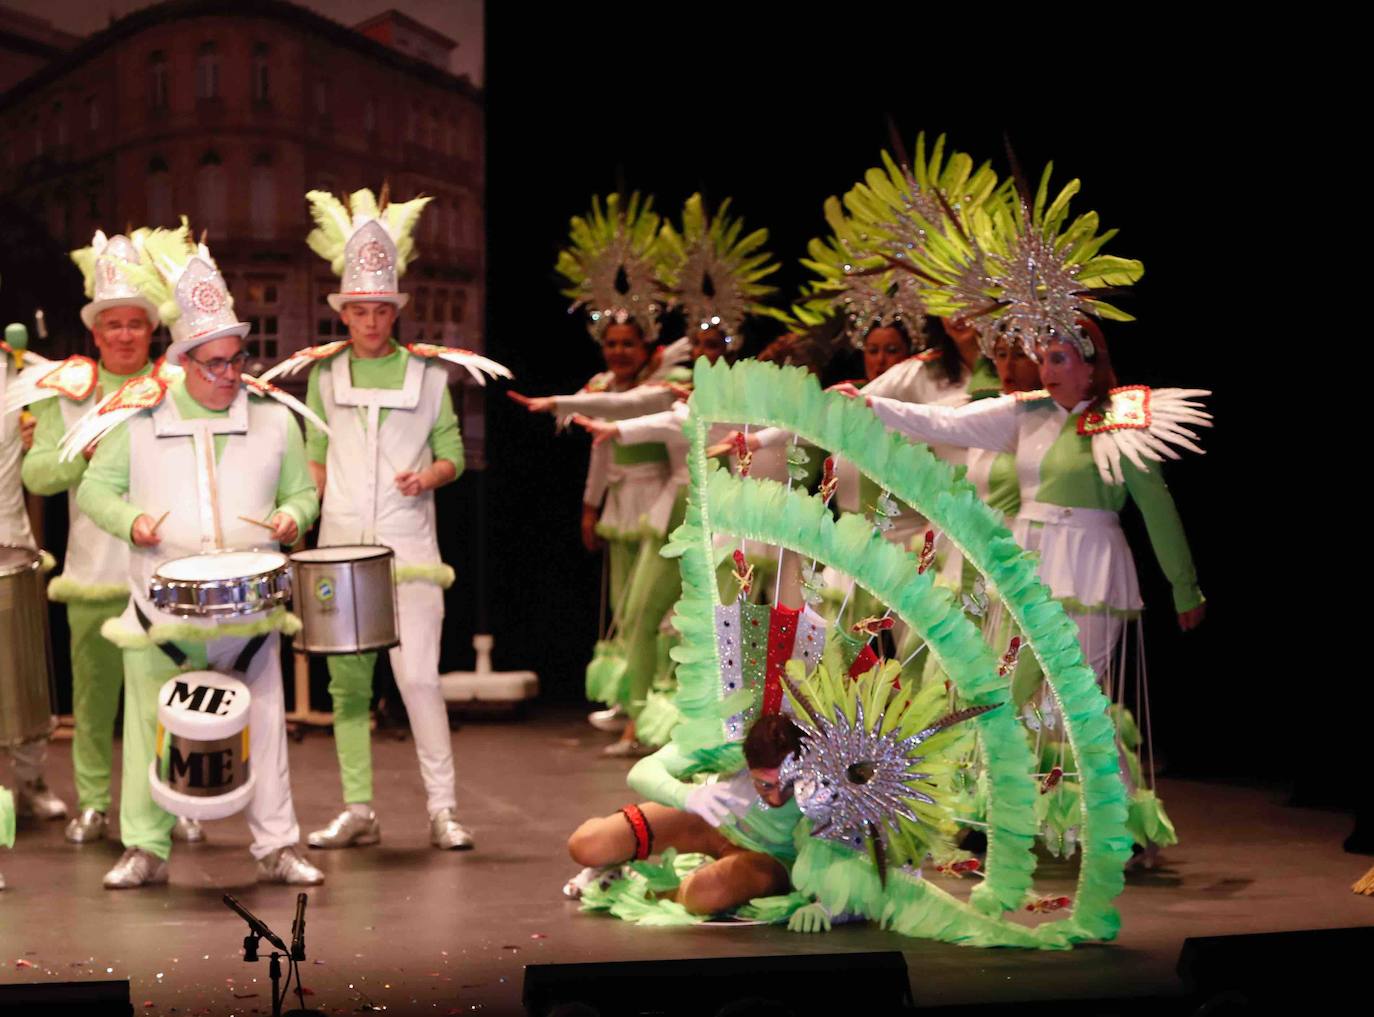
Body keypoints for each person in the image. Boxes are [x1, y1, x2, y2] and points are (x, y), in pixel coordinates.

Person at [846, 319, 1209, 858]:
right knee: (1006, 701)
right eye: (1044, 359)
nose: (1047, 371)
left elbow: (1158, 507)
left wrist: (1185, 588)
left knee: (1073, 703)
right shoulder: (1026, 413)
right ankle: (991, 822)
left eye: (1060, 359)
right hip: (1029, 572)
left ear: (1091, 364)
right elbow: (945, 423)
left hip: (1089, 572)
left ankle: (1119, 826)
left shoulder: (1121, 418)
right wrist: (870, 406)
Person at [75, 229, 323, 888]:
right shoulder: (139, 419)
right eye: (214, 363)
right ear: (182, 358)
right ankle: (146, 847)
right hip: (160, 607)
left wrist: (293, 516)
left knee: (266, 723)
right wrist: (132, 521)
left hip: (251, 608)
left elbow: (303, 491)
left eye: (236, 360)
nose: (229, 374)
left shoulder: (274, 419)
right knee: (149, 724)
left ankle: (277, 845)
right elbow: (96, 489)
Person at [280, 188, 476, 851]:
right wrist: (303, 529)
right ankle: (358, 807)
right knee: (348, 684)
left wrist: (429, 475)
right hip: (341, 549)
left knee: (419, 677)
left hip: (409, 544)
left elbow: (453, 453)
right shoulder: (324, 376)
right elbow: (314, 457)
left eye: (379, 310)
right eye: (359, 310)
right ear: (345, 313)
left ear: (394, 311)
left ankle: (443, 808)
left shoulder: (427, 378)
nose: (369, 321)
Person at [17, 230, 203, 845]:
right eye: (112, 325)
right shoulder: (68, 392)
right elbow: (38, 473)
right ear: (95, 333)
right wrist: (84, 451)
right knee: (95, 703)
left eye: (135, 323)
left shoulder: (179, 389)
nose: (124, 334)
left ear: (151, 329)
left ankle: (178, 801)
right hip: (93, 570)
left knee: (173, 699)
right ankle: (94, 802)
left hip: (167, 573)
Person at [0, 331, 67, 826]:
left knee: (24, 673)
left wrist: (42, 428)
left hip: (9, 541)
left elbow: (80, 390)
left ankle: (30, 780)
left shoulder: (24, 370)